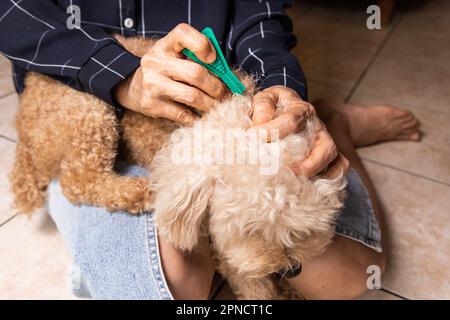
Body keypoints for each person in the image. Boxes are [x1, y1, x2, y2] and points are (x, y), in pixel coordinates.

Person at [0, 0, 420, 299]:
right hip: (69, 85)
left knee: (347, 281)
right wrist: (118, 75)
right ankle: (92, 184)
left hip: (215, 100)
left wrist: (282, 88)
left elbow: (261, 15)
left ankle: (334, 122)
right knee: (174, 285)